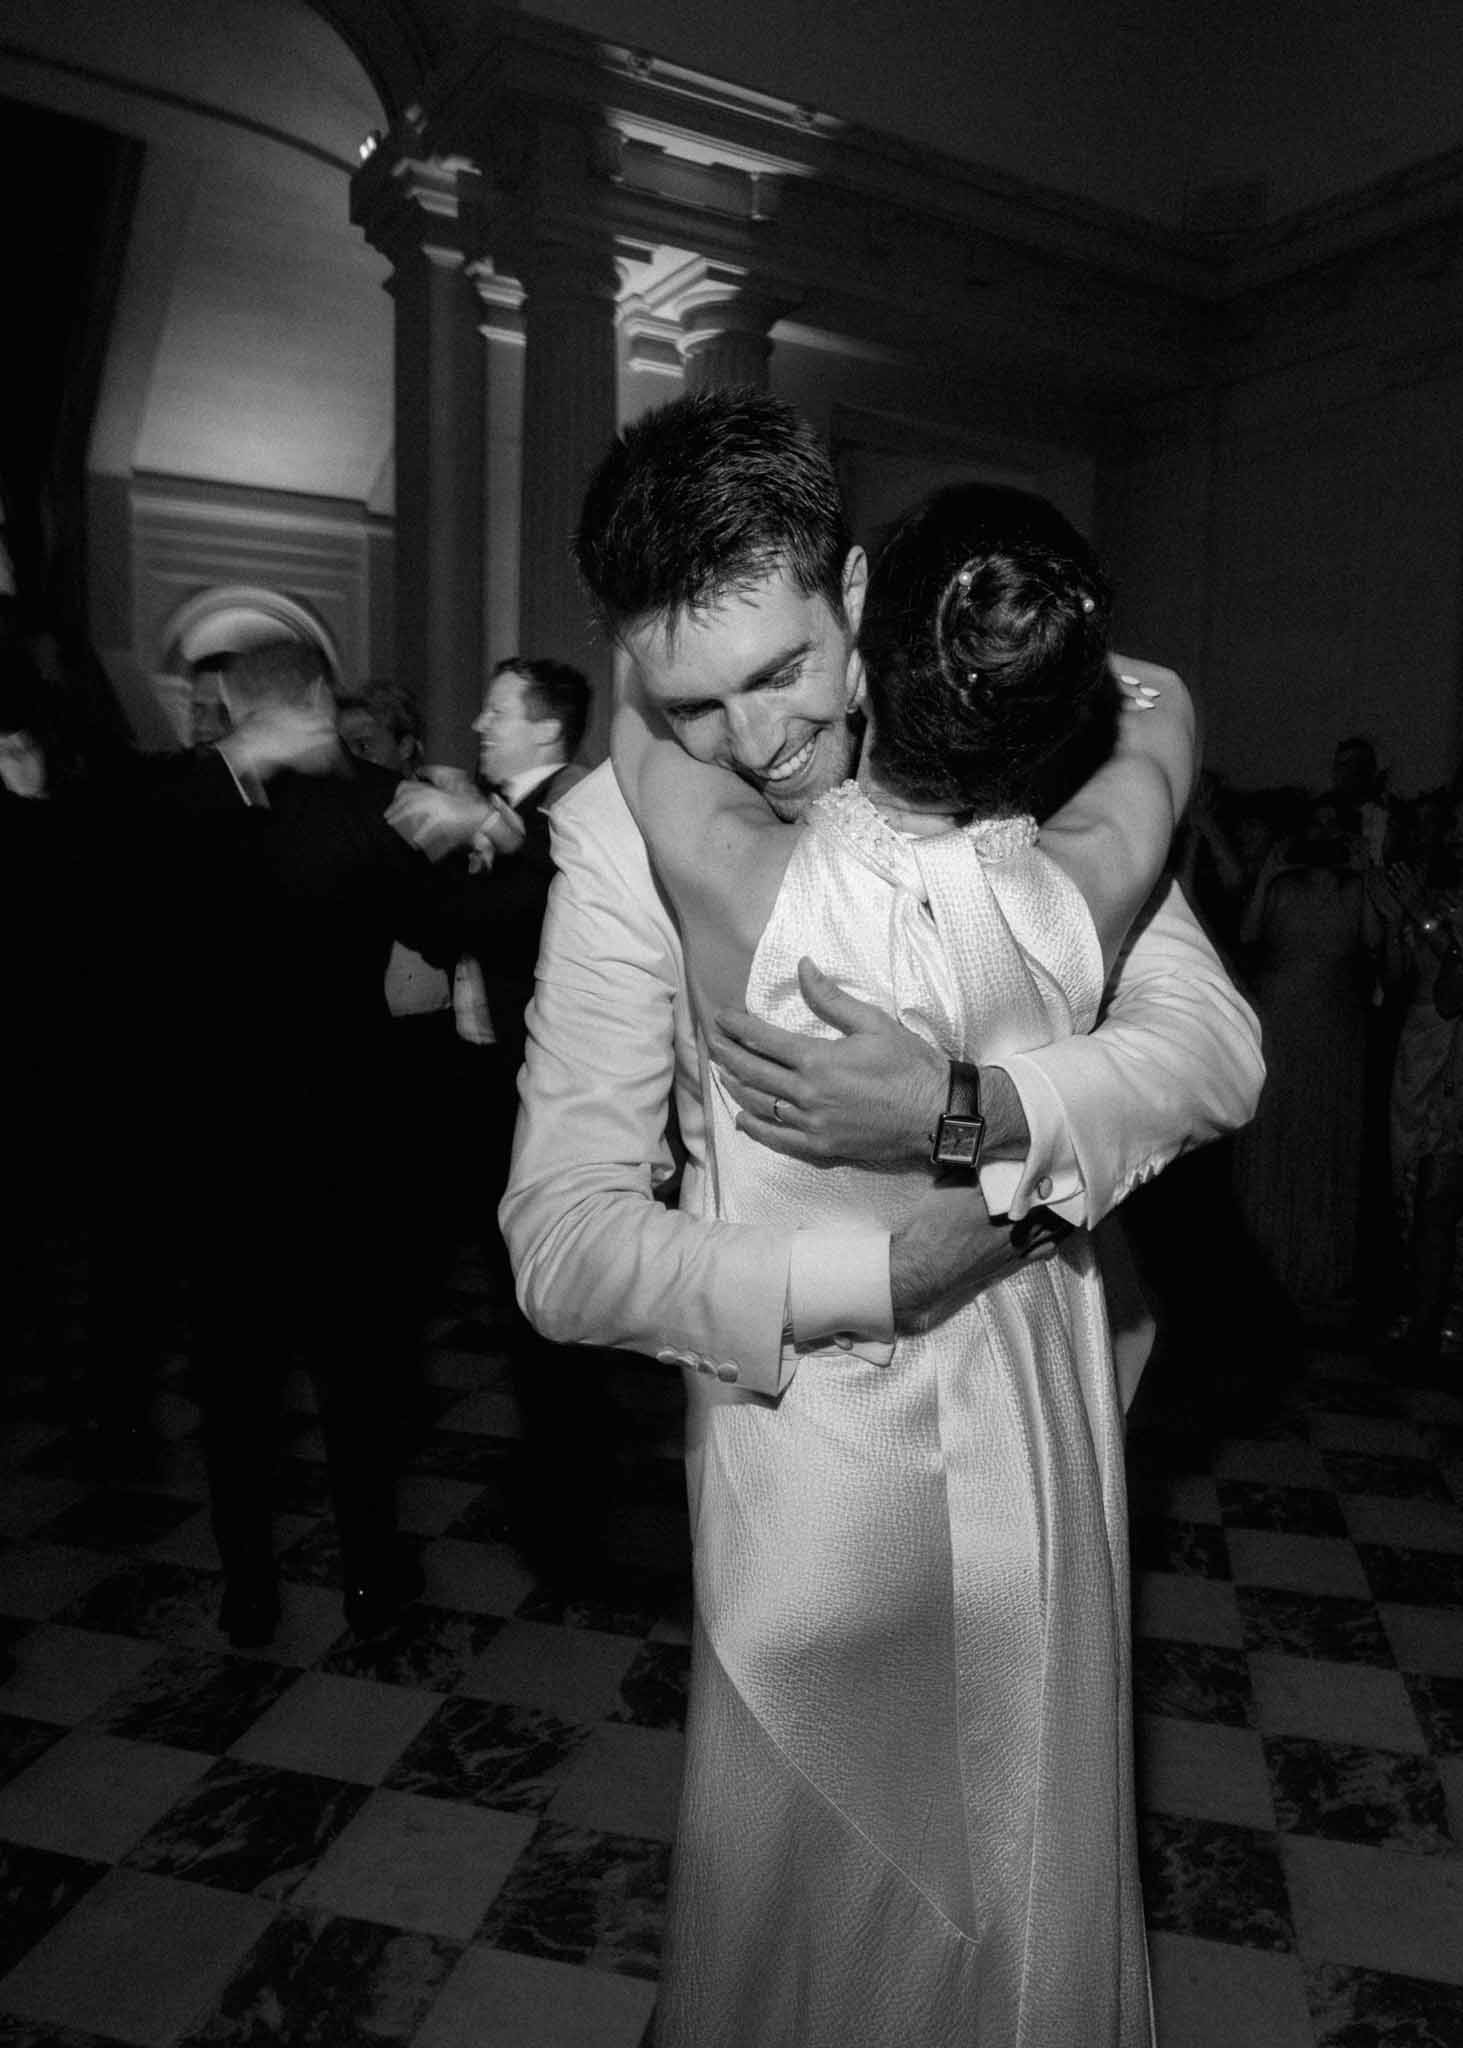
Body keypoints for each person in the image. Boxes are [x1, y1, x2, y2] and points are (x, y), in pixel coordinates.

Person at [502, 389, 1262, 2036]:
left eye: (779, 669)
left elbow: (1205, 1049)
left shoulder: (1000, 735)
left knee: (1032, 1902)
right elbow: (560, 1242)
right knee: (817, 1928)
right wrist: (875, 1271)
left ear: (852, 589)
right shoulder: (625, 839)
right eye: (689, 701)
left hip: (1045, 1432)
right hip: (808, 1467)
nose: (753, 739)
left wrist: (965, 1112)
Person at [145, 639, 457, 1647]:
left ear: (230, 706)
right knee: (348, 1377)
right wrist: (475, 831)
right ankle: (366, 1574)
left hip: (228, 1148)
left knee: (240, 1384)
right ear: (320, 695)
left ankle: (252, 1588)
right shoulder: (374, 803)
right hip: (336, 1137)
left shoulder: (180, 804)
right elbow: (444, 931)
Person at [388, 658, 606, 1589]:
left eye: (498, 710)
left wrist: (482, 837)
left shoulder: (575, 815)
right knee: (467, 1279)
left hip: (544, 1091)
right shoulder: (496, 816)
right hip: (473, 1079)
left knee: (545, 1304)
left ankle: (566, 1511)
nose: (479, 723)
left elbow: (517, 913)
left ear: (547, 728)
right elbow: (439, 928)